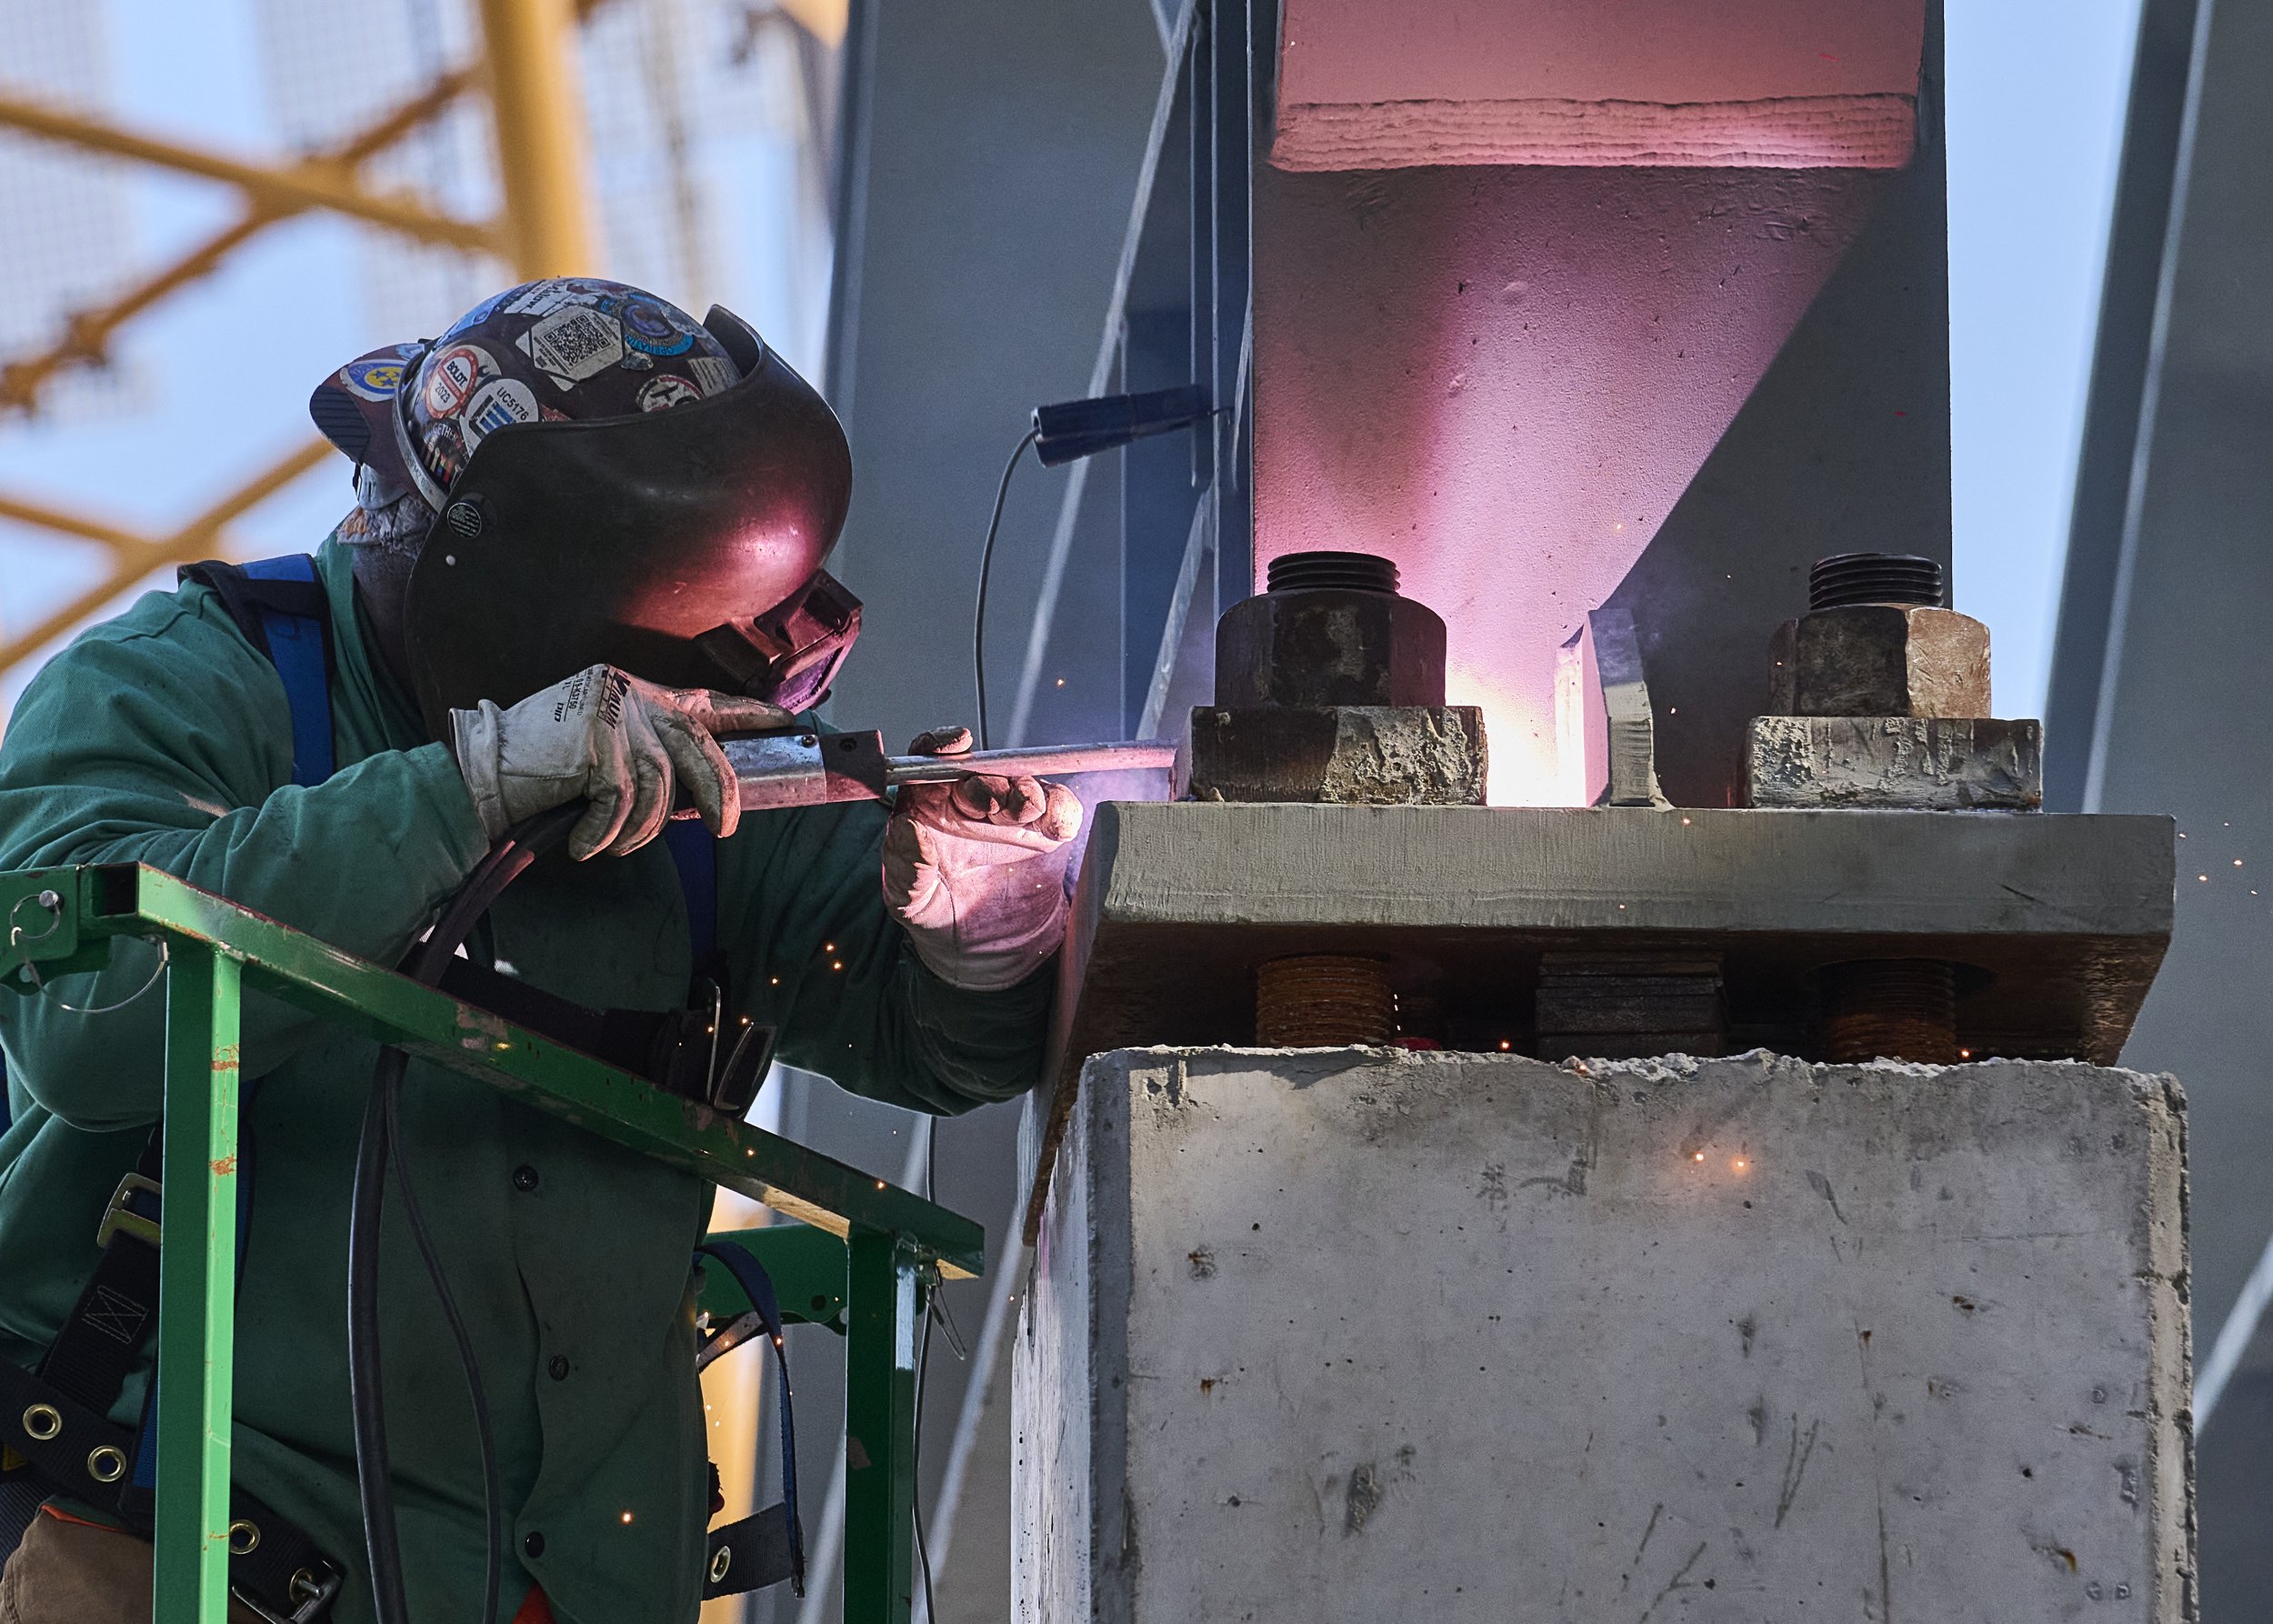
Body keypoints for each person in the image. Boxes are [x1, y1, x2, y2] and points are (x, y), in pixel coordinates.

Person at [0, 277, 1078, 1624]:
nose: (742, 697)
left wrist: (978, 928)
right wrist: (467, 788)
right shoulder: (185, 685)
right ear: (540, 633)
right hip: (168, 1555)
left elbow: (927, 1031)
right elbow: (89, 1007)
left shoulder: (697, 766)